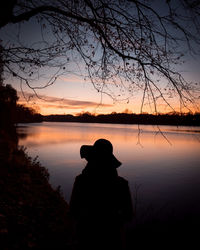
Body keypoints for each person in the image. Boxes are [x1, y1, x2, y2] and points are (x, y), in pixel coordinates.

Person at [69, 139, 133, 250]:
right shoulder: (122, 184)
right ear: (110, 162)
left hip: (86, 238)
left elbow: (73, 212)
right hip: (113, 240)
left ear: (92, 159)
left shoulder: (81, 181)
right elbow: (128, 215)